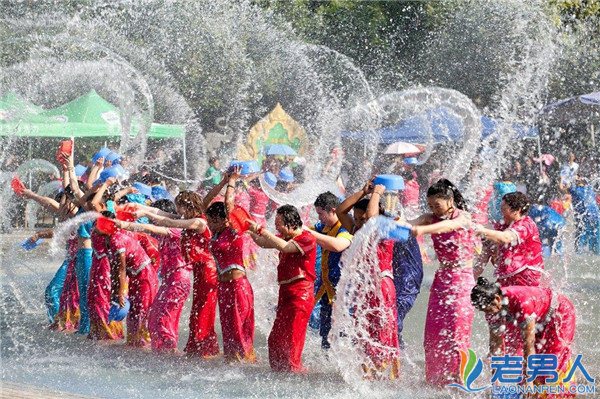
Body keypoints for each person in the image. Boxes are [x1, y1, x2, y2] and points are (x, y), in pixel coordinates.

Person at [135, 189, 220, 357]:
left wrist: (133, 223)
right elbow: (161, 213)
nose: (177, 211)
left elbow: (169, 222)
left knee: (200, 313)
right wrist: (141, 208)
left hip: (204, 272)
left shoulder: (198, 222)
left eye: (179, 207)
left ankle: (196, 350)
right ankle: (195, 349)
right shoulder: (189, 219)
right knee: (194, 313)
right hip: (196, 273)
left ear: (187, 205)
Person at [409, 179, 475, 386]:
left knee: (457, 333)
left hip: (462, 280)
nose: (434, 210)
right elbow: (409, 223)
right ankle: (436, 380)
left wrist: (423, 231)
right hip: (441, 280)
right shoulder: (429, 218)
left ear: (450, 201)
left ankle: (461, 381)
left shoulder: (464, 217)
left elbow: (449, 225)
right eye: (430, 206)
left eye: (437, 205)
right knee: (433, 332)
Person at [471, 277, 576, 392]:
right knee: (531, 370)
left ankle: (561, 392)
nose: (487, 314)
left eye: (487, 309)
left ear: (496, 299)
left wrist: (528, 381)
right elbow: (496, 347)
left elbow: (528, 344)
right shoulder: (492, 309)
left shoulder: (522, 302)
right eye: (483, 311)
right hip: (539, 319)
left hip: (559, 312)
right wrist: (495, 381)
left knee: (552, 362)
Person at [115, 199, 191, 352]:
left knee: (163, 316)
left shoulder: (176, 231)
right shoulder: (163, 232)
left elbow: (152, 223)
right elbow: (156, 214)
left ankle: (168, 350)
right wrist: (138, 208)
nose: (153, 221)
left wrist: (125, 225)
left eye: (155, 220)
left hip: (175, 279)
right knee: (155, 315)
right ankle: (158, 349)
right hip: (167, 280)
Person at [248, 205, 316, 372]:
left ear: (291, 223)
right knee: (275, 340)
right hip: (285, 294)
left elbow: (285, 248)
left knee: (292, 341)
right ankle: (278, 374)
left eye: (279, 224)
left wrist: (261, 229)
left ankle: (294, 376)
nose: (276, 227)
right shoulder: (285, 236)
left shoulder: (307, 238)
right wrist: (247, 230)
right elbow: (264, 243)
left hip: (301, 296)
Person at [204, 171, 256, 362]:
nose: (210, 224)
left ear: (225, 220)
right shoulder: (216, 232)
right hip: (224, 287)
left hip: (237, 286)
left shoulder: (234, 231)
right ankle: (232, 363)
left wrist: (232, 182)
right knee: (228, 328)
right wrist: (221, 183)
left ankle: (245, 364)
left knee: (239, 327)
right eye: (209, 221)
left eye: (213, 221)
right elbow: (205, 202)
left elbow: (228, 206)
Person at [101, 221, 158, 347]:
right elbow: (115, 270)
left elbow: (122, 268)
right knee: (133, 312)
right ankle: (133, 344)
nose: (94, 228)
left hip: (145, 276)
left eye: (97, 225)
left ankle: (145, 346)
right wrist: (115, 293)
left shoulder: (117, 240)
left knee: (142, 311)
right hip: (135, 277)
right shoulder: (108, 240)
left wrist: (121, 293)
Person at [308, 191, 353, 350]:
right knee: (325, 333)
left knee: (343, 331)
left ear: (333, 210)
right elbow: (307, 230)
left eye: (321, 214)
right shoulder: (324, 227)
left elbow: (337, 245)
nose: (319, 218)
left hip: (344, 290)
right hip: (327, 288)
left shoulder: (345, 228)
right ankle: (327, 365)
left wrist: (310, 233)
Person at [473, 192, 545, 287]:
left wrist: (482, 231)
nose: (501, 212)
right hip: (506, 278)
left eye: (504, 209)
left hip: (527, 279)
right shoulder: (502, 225)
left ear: (517, 210)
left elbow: (506, 238)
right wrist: (470, 278)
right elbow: (486, 252)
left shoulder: (526, 225)